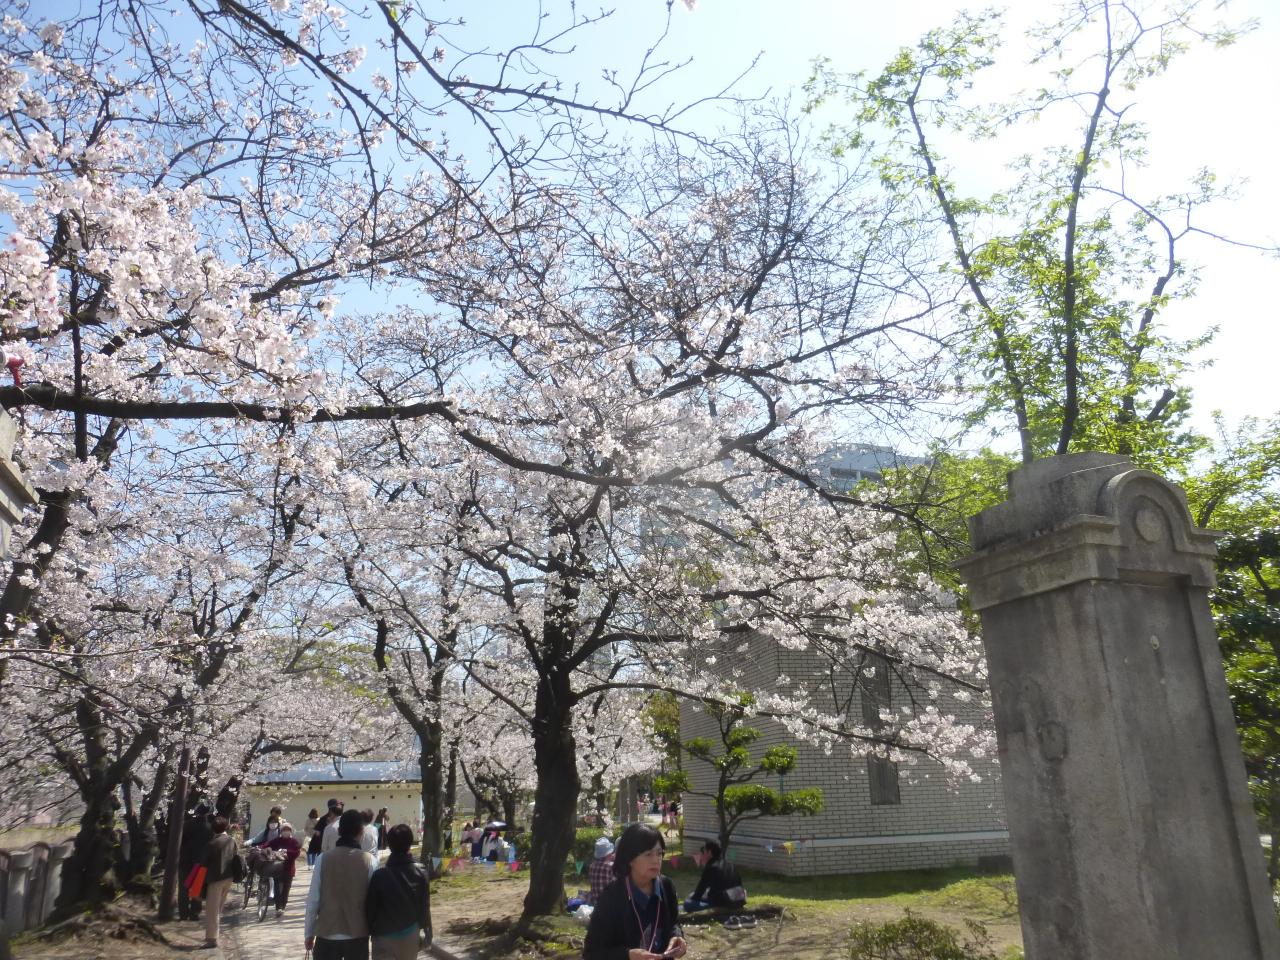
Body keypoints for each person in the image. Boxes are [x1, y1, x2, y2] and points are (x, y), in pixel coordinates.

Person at [583, 823, 687, 960]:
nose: (656, 860)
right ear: (630, 859)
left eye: (659, 853)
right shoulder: (611, 896)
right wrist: (627, 955)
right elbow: (591, 953)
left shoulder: (666, 886)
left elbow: (673, 922)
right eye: (648, 854)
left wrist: (677, 936)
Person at [305, 808, 378, 959]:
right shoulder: (370, 861)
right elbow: (374, 901)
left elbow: (313, 900)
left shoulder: (323, 859)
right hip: (358, 934)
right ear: (361, 832)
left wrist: (309, 933)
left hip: (327, 932)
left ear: (339, 831)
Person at [365, 823, 432, 960]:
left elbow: (370, 908)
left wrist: (370, 930)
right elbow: (424, 905)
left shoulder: (379, 875)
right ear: (410, 843)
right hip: (410, 933)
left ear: (389, 845)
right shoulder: (421, 871)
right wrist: (427, 930)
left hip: (383, 935)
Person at [201, 815, 240, 949]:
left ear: (213, 829)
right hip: (228, 877)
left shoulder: (212, 844)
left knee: (212, 910)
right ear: (226, 827)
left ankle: (212, 939)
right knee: (219, 907)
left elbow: (203, 863)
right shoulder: (231, 841)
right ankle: (215, 934)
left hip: (215, 879)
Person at [683, 841, 746, 912]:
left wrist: (691, 898)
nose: (701, 856)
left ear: (709, 852)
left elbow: (698, 893)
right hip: (739, 902)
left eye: (703, 852)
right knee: (697, 896)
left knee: (687, 904)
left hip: (723, 904)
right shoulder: (731, 865)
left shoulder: (711, 867)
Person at [178, 803, 212, 922]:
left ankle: (183, 913)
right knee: (196, 888)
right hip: (201, 862)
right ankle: (194, 913)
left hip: (186, 860)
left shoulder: (187, 825)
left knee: (184, 888)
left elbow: (180, 842)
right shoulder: (210, 828)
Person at [266, 821, 304, 916]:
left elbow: (296, 853)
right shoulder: (277, 840)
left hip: (289, 868)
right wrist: (261, 848)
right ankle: (278, 907)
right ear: (281, 831)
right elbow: (267, 845)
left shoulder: (294, 842)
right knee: (277, 888)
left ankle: (283, 906)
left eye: (288, 830)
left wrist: (287, 851)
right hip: (277, 868)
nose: (286, 832)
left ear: (291, 831)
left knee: (286, 889)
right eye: (284, 830)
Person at [586, 836, 615, 906]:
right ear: (608, 854)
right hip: (609, 904)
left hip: (594, 904)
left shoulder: (592, 866)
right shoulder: (611, 866)